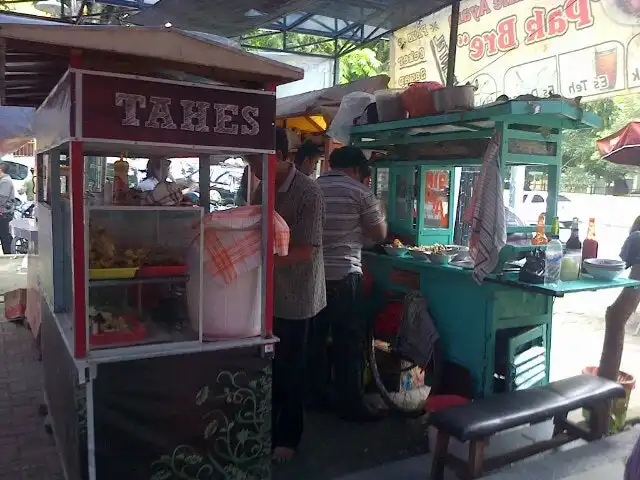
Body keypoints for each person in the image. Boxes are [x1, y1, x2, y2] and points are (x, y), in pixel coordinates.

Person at [246, 127, 326, 462]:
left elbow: (305, 250)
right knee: (268, 364)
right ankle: (265, 428)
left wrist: (259, 259)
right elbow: (250, 229)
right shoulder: (261, 190)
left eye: (256, 161)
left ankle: (289, 438)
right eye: (248, 162)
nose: (252, 169)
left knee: (291, 367)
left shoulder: (309, 192)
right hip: (267, 292)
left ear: (277, 156)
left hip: (298, 293)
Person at [311, 146, 387, 421]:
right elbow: (379, 234)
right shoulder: (361, 192)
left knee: (316, 340)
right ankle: (350, 405)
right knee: (348, 342)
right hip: (344, 275)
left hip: (312, 275)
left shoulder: (311, 188)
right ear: (356, 169)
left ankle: (315, 397)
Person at [0, 162, 15, 254]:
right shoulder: (4, 180)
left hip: (4, 214)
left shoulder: (5, 181)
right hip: (4, 213)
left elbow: (1, 199)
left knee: (5, 236)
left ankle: (9, 255)